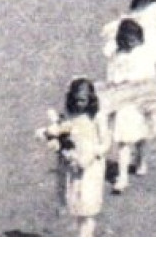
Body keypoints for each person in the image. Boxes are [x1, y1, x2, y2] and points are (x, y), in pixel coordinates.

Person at [103, 18, 156, 193]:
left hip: (141, 100)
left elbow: (149, 76)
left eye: (134, 38)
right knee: (123, 140)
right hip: (124, 103)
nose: (131, 42)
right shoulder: (117, 56)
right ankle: (122, 176)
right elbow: (112, 76)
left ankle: (141, 160)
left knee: (141, 135)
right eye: (127, 38)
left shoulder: (144, 54)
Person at [38, 78, 109, 237]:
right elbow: (61, 132)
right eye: (76, 100)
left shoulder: (97, 117)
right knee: (77, 205)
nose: (79, 104)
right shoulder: (68, 114)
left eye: (83, 100)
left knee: (88, 207)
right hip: (71, 165)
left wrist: (91, 155)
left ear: (90, 99)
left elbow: (105, 143)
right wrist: (60, 144)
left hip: (91, 168)